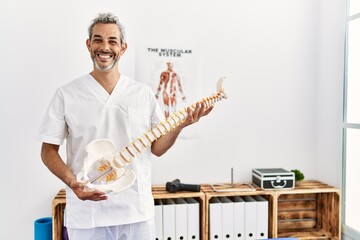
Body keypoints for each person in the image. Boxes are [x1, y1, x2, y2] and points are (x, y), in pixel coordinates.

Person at [37, 13, 213, 240]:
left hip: (135, 212)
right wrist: (73, 183)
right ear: (89, 45)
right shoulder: (67, 94)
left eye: (112, 41)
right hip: (87, 214)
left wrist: (180, 126)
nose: (105, 47)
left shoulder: (142, 94)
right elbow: (47, 150)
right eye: (98, 40)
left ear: (123, 48)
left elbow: (157, 148)